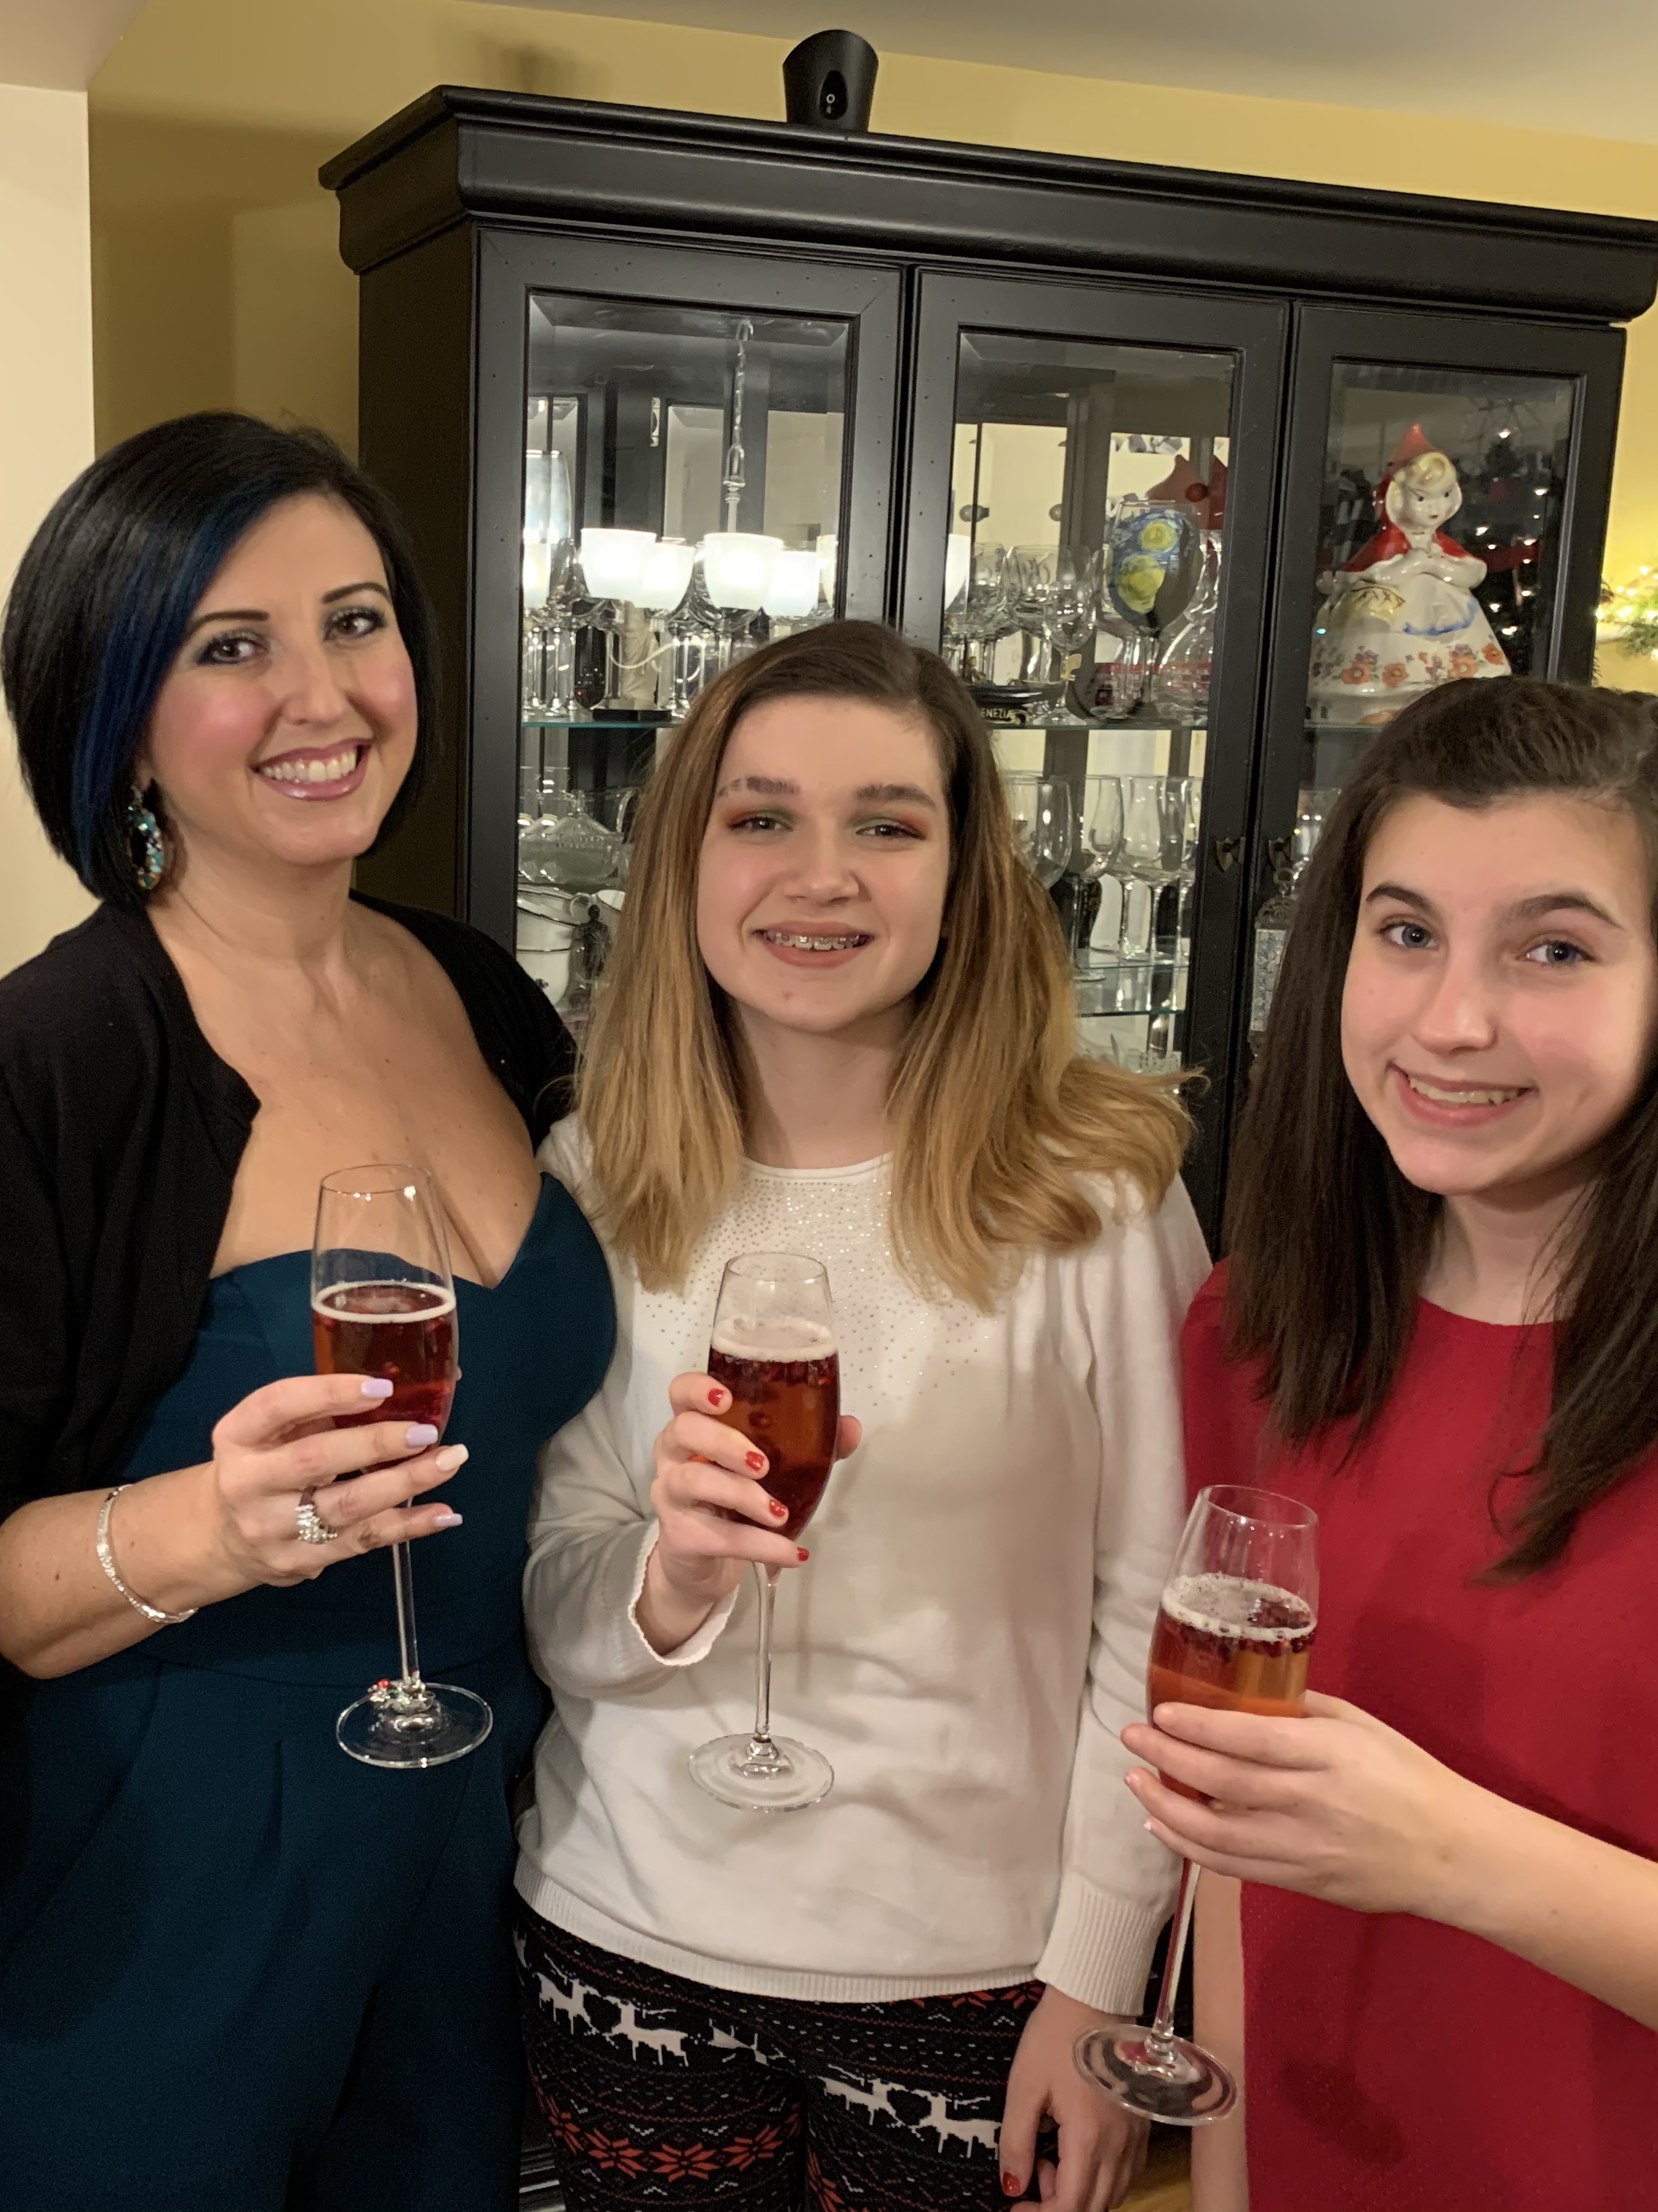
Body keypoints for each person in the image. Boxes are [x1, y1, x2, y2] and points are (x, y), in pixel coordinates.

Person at [0, 411, 613, 2212]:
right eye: (230, 646)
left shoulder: (481, 993)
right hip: (141, 1898)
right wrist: (211, 1527)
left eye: (356, 621)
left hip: (471, 1854)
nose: (320, 696)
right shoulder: (6, 1094)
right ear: (113, 713)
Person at [1145, 677, 1658, 2209]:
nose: (1451, 1020)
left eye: (1555, 950)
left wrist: (1461, 1858)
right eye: (1406, 933)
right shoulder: (1262, 1325)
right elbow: (1244, 1842)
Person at [516, 621, 1207, 2212]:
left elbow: (1159, 1619)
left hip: (980, 1975)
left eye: (886, 824)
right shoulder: (593, 1178)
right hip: (628, 1938)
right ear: (685, 862)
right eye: (761, 817)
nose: (819, 875)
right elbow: (552, 1596)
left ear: (964, 876)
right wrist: (671, 1579)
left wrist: (1101, 1977)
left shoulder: (1098, 1194)